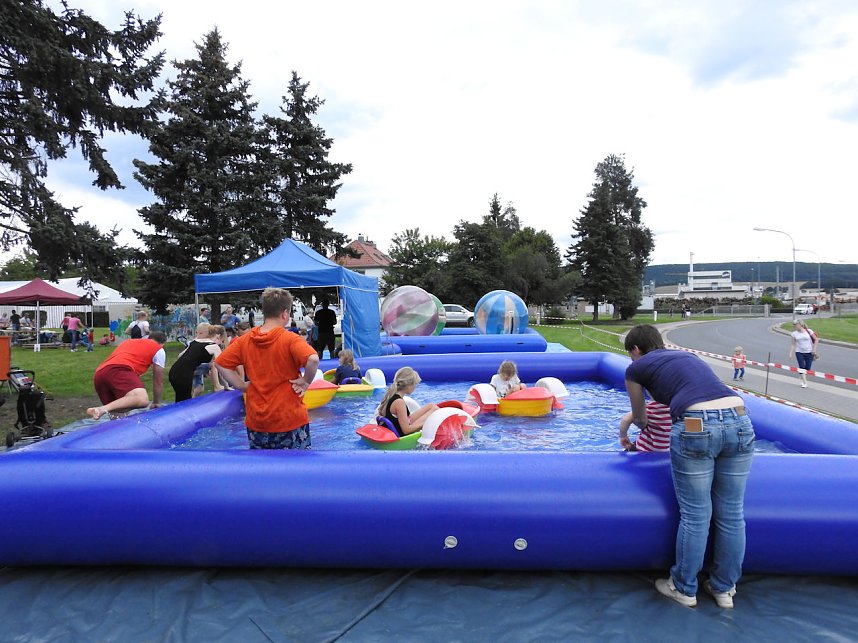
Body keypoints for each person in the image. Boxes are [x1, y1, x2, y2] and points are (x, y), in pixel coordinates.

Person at [624, 324, 754, 609]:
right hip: (740, 417)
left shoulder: (636, 368)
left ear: (635, 350)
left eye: (631, 355)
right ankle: (724, 589)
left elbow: (640, 417)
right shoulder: (688, 357)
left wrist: (635, 436)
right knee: (732, 513)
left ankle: (683, 587)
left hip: (695, 423)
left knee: (696, 515)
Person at [215, 287, 319, 449]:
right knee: (296, 469)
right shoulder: (290, 339)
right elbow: (313, 359)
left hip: (257, 422)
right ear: (285, 314)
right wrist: (306, 381)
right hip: (289, 419)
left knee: (263, 470)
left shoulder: (246, 340)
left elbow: (220, 363)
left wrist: (242, 386)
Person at [87, 331, 168, 420]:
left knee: (118, 415)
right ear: (163, 343)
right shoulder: (158, 349)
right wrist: (156, 402)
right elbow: (158, 381)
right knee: (142, 399)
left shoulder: (129, 342)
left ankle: (101, 411)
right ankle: (102, 409)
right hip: (119, 369)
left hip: (100, 374)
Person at [375, 367, 438, 436]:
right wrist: (427, 423)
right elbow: (406, 430)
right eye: (415, 384)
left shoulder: (393, 396)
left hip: (399, 427)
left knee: (431, 406)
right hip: (402, 435)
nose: (415, 387)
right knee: (435, 410)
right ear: (409, 385)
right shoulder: (399, 402)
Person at [169, 323, 223, 403]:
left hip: (174, 371)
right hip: (183, 375)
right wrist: (227, 385)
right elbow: (221, 366)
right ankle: (217, 386)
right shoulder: (214, 346)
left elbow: (180, 355)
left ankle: (201, 387)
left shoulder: (194, 342)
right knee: (184, 402)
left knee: (181, 399)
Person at [789, 320, 818, 388]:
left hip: (809, 352)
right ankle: (804, 382)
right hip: (799, 352)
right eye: (794, 325)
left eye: (795, 325)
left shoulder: (809, 331)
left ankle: (802, 374)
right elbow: (793, 344)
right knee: (801, 366)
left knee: (807, 368)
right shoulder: (794, 334)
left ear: (800, 324)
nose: (794, 326)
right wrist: (791, 353)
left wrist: (814, 349)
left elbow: (816, 339)